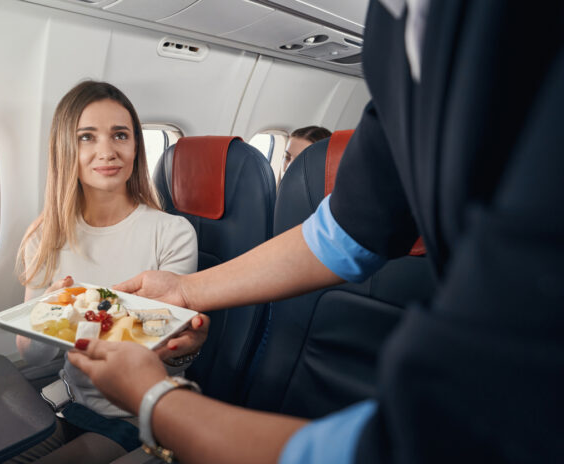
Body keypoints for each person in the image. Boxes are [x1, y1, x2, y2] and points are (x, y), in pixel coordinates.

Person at [67, 1, 564, 463]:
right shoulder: (397, 36)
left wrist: (155, 400)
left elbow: (429, 442)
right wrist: (184, 289)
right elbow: (346, 231)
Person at [13, 80, 208, 463]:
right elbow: (33, 357)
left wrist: (183, 352)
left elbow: (168, 353)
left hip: (137, 413)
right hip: (66, 398)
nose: (107, 151)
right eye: (87, 137)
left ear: (136, 146)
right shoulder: (45, 234)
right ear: (66, 149)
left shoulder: (171, 233)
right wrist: (52, 311)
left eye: (120, 135)